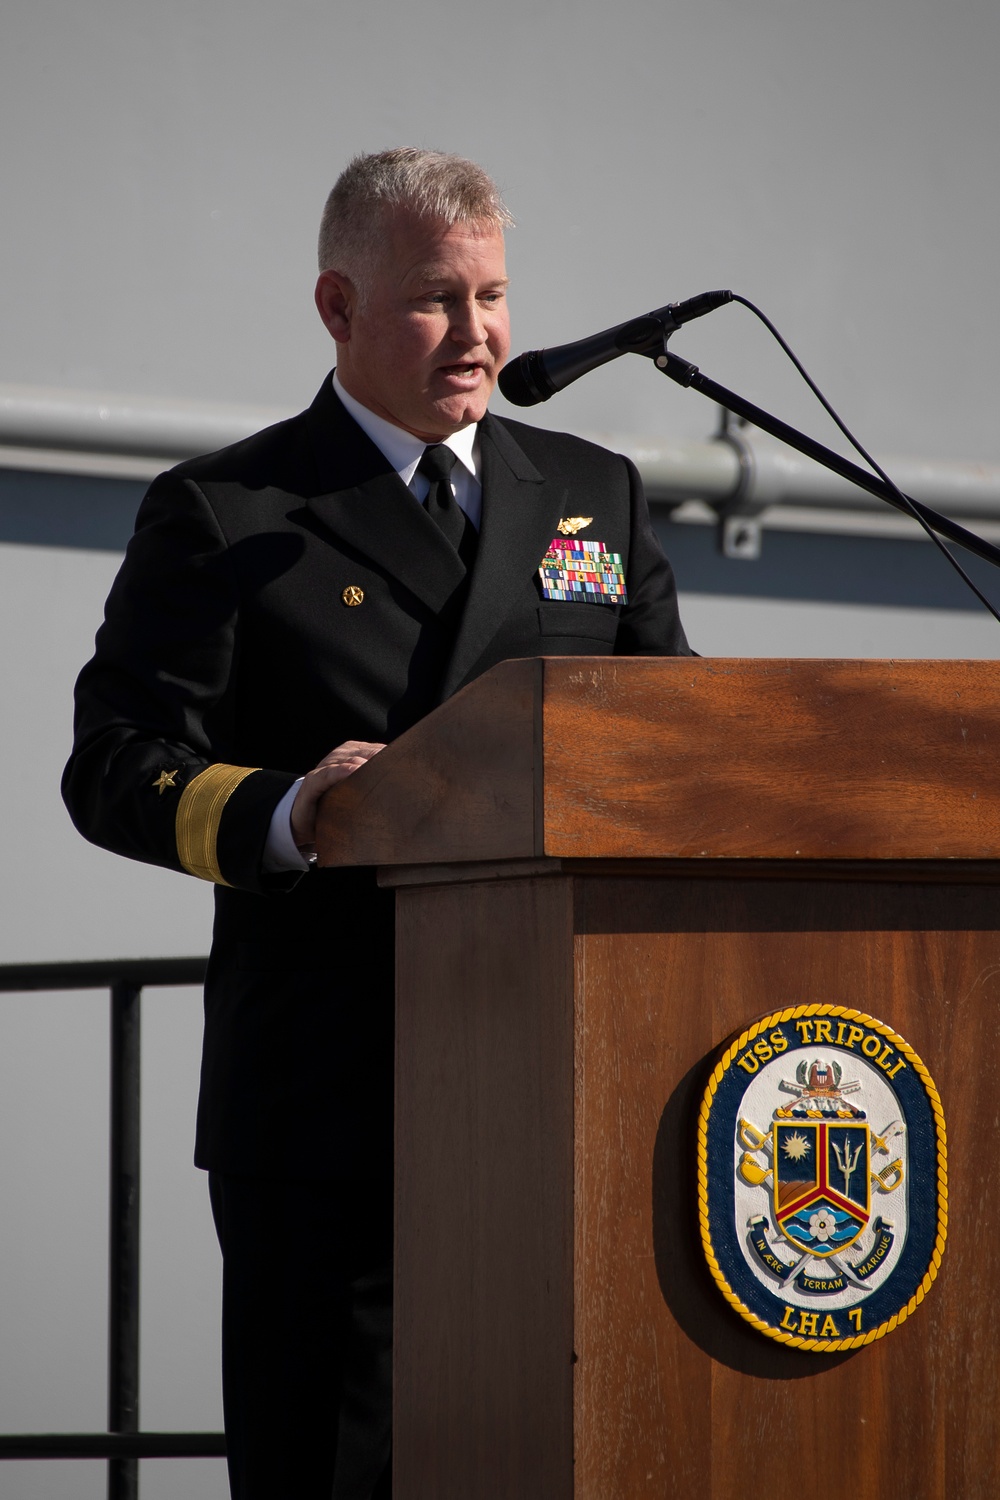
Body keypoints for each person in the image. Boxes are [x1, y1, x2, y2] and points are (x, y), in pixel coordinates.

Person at [62, 147, 693, 1499]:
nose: (474, 335)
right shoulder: (231, 512)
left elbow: (674, 745)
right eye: (432, 300)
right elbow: (113, 766)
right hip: (332, 1102)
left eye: (493, 295)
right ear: (337, 308)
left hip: (560, 1082)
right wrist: (292, 812)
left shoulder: (588, 493)